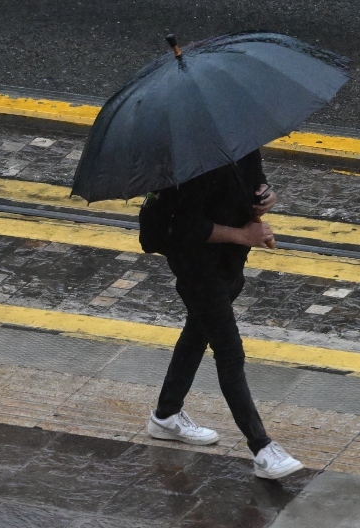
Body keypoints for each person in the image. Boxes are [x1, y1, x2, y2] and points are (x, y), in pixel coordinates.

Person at [143, 149, 304, 479]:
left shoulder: (239, 141)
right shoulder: (183, 162)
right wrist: (244, 235)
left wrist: (265, 195)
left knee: (196, 333)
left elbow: (255, 180)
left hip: (230, 262)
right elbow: (185, 225)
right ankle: (262, 449)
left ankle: (166, 414)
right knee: (230, 354)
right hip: (197, 268)